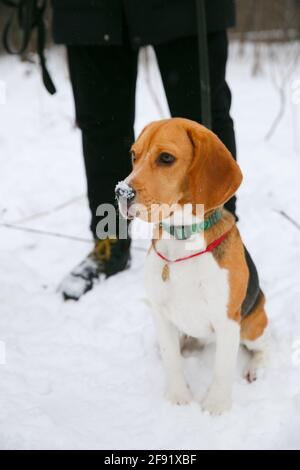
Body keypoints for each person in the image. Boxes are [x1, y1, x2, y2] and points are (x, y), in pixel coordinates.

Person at [51, 0, 237, 300]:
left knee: (201, 122)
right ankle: (110, 238)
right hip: (89, 10)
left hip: (188, 10)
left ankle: (215, 240)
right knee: (102, 127)